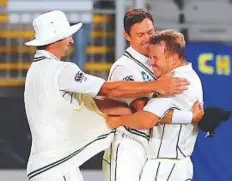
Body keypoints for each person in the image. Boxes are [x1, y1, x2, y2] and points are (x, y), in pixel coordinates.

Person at [24, 10, 189, 181]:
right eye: (68, 36)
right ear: (56, 40)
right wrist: (161, 91)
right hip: (60, 164)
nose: (71, 41)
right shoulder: (62, 70)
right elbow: (112, 92)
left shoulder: (36, 71)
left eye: (150, 32)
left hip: (51, 163)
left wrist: (123, 115)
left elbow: (96, 103)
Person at [102, 9, 203, 181]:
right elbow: (143, 112)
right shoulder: (124, 67)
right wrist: (189, 117)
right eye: (140, 34)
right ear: (127, 36)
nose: (147, 38)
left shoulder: (158, 61)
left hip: (151, 150)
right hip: (128, 147)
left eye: (150, 32)